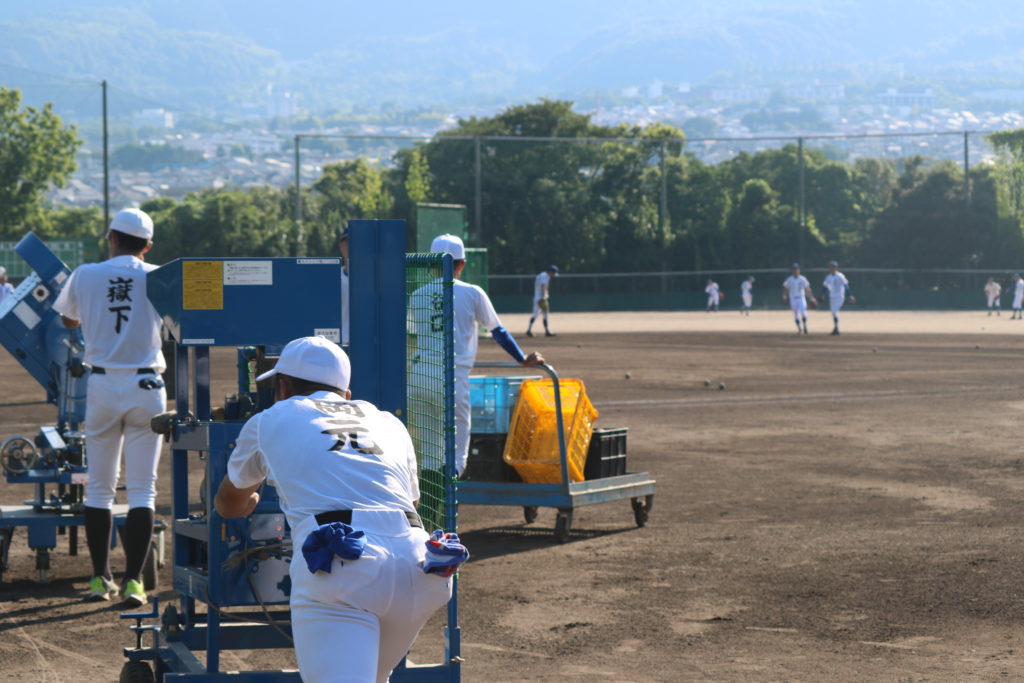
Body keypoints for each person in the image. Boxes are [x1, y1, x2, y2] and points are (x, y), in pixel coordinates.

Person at [214, 336, 459, 683]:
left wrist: (249, 503)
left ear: (282, 387)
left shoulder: (270, 418)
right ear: (345, 393)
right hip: (419, 565)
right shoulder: (386, 420)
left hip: (345, 569)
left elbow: (228, 504)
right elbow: (410, 501)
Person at [53, 208, 165, 606]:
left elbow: (67, 320)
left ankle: (100, 578)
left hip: (101, 384)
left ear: (111, 237)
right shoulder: (159, 274)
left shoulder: (86, 273)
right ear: (147, 245)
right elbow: (177, 328)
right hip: (147, 386)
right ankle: (134, 582)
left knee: (99, 489)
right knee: (142, 490)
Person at [411, 234, 543, 475]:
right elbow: (498, 331)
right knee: (457, 453)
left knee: (430, 452)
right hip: (451, 378)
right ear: (461, 264)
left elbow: (412, 333)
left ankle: (434, 508)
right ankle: (449, 502)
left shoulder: (417, 294)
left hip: (419, 378)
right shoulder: (472, 293)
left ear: (430, 263)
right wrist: (522, 358)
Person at [821, 261, 856, 336]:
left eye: (833, 267)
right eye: (830, 267)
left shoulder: (840, 276)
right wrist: (822, 294)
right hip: (832, 297)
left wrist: (850, 295)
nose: (831, 268)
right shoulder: (828, 277)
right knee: (834, 312)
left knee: (834, 311)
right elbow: (825, 286)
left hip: (839, 296)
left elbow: (846, 285)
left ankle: (836, 328)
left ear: (836, 268)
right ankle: (836, 328)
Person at [782, 263, 816, 335]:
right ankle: (799, 329)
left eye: (797, 269)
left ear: (799, 270)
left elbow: (807, 289)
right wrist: (785, 295)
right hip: (793, 298)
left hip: (801, 298)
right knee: (796, 314)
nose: (795, 271)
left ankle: (805, 327)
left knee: (803, 312)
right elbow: (786, 288)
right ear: (792, 270)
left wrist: (811, 297)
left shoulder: (802, 279)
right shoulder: (789, 279)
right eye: (794, 269)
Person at [526, 265, 559, 337]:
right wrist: (544, 297)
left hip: (536, 297)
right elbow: (543, 286)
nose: (553, 275)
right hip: (541, 298)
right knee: (545, 314)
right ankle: (547, 331)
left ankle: (529, 330)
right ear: (550, 272)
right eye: (553, 273)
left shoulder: (541, 275)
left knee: (535, 314)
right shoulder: (546, 276)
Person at [337, 227, 351, 346]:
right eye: (347, 243)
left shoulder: (373, 280)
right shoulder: (333, 278)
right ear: (341, 246)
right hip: (340, 343)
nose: (351, 247)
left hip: (364, 343)